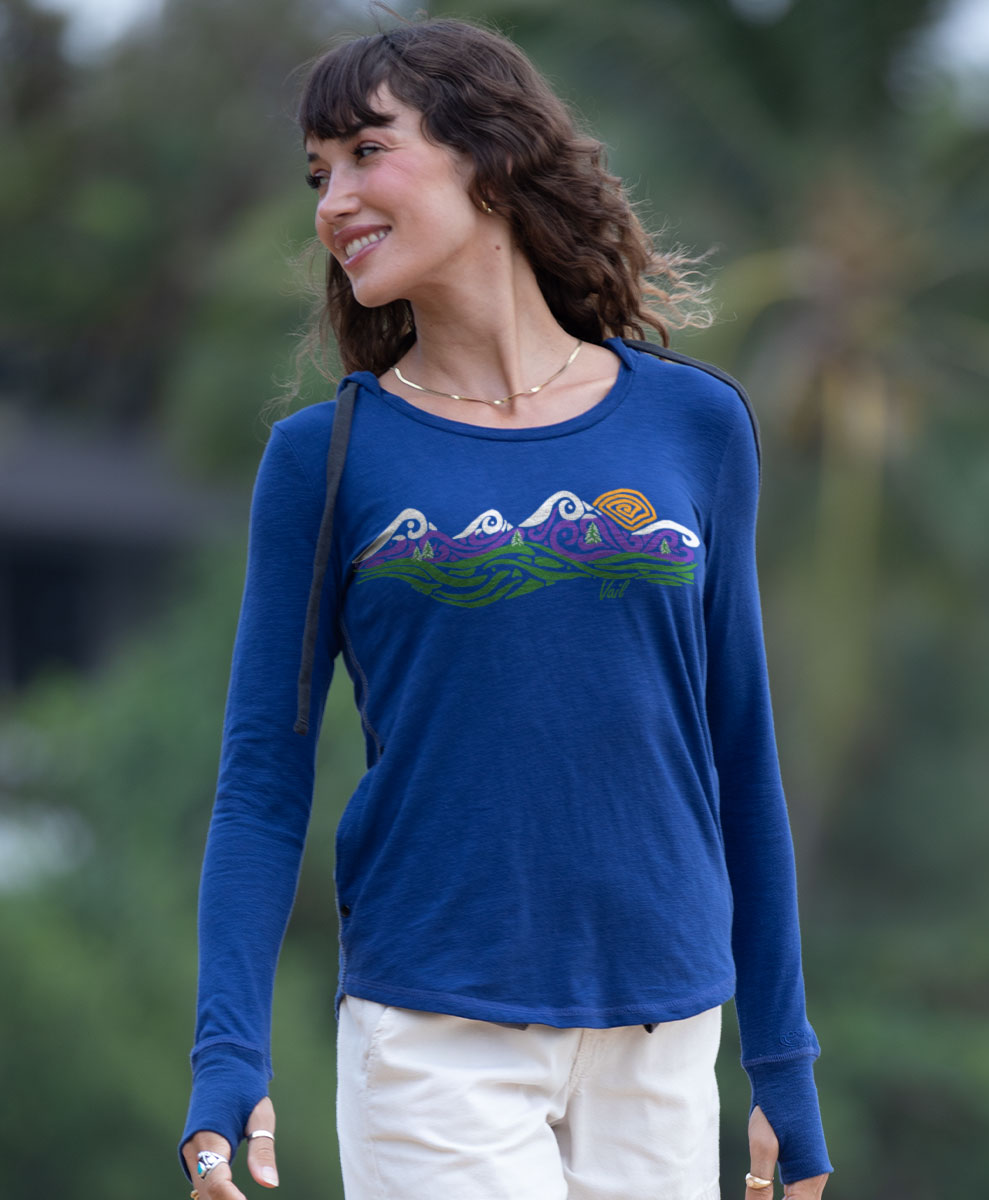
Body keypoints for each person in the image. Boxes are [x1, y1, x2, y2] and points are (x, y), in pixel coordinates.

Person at [180, 16, 833, 1200]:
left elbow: (738, 749)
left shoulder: (694, 424)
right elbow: (262, 782)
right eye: (317, 175)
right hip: (434, 1035)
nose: (333, 202)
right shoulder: (325, 458)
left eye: (366, 152)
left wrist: (782, 1063)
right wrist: (228, 1056)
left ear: (487, 154)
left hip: (665, 1034)